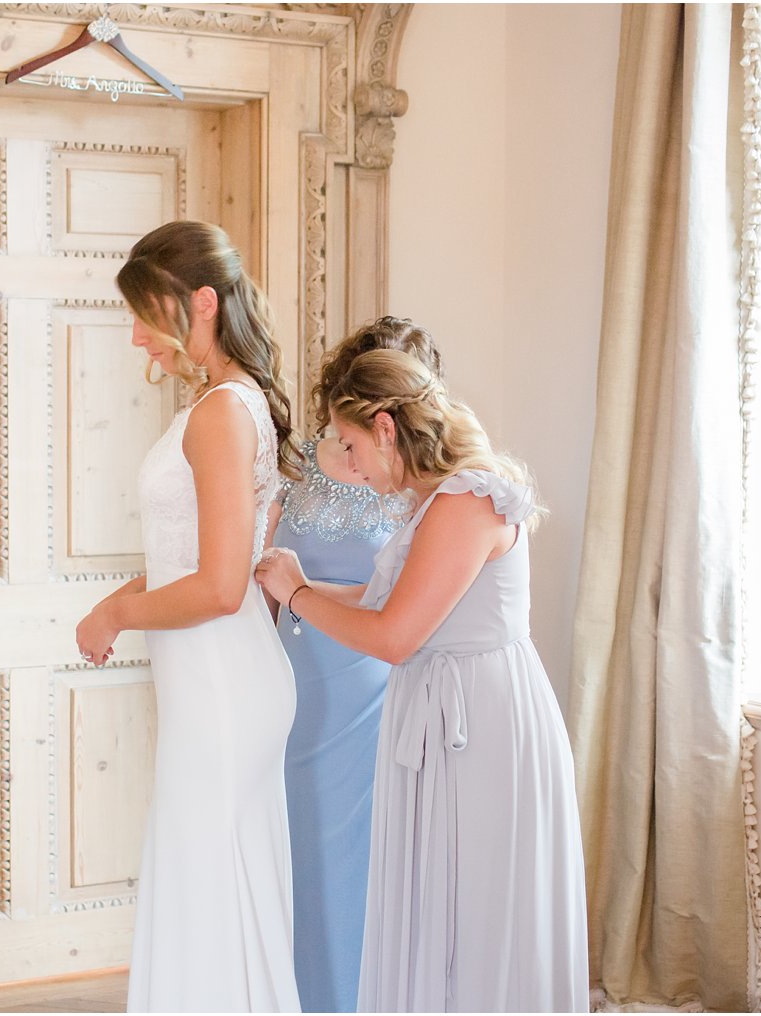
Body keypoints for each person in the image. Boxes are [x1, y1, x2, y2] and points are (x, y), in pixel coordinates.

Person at [255, 349, 588, 1013]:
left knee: (479, 904)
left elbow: (394, 638)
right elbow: (383, 604)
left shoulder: (466, 501)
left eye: (351, 445)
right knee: (442, 901)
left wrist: (297, 597)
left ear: (384, 427)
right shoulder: (433, 501)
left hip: (482, 724)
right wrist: (298, 584)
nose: (349, 465)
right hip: (444, 712)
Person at [75, 220, 302, 1013]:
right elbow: (203, 555)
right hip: (221, 680)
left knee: (206, 883)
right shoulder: (224, 405)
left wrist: (120, 617)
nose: (137, 335)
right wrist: (117, 600)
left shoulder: (219, 414)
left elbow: (218, 586)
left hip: (223, 684)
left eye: (147, 314)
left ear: (201, 302)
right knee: (212, 885)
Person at [263, 317, 441, 1013]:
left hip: (371, 688)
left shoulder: (417, 486)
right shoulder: (301, 462)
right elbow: (264, 573)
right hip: (292, 684)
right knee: (295, 854)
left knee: (360, 863)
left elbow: (411, 599)